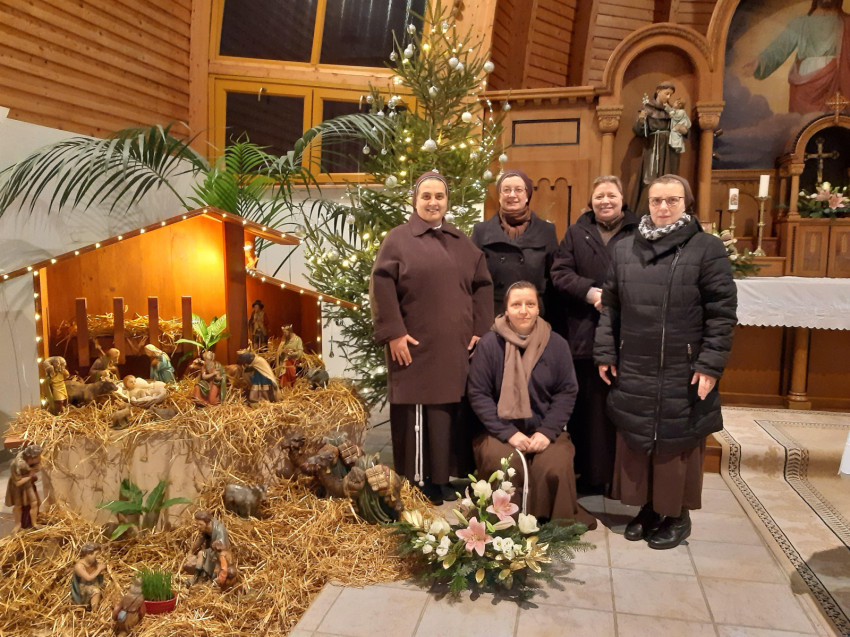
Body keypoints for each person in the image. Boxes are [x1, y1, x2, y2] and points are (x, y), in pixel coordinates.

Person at [595, 174, 737, 550]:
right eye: (656, 200)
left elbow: (721, 312)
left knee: (677, 440)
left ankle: (676, 514)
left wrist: (710, 364)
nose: (663, 207)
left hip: (683, 365)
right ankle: (648, 508)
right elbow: (611, 307)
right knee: (639, 438)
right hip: (635, 361)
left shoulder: (706, 248)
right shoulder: (625, 248)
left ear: (685, 204)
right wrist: (606, 351)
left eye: (672, 200)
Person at [370, 171, 494, 504]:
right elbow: (381, 285)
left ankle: (440, 479)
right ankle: (416, 481)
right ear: (415, 200)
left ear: (447, 201)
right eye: (426, 196)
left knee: (444, 415)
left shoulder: (461, 242)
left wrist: (480, 330)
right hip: (411, 345)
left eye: (439, 196)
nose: (433, 202)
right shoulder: (398, 239)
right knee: (415, 415)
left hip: (451, 347)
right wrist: (394, 333)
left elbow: (482, 286)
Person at [467, 281, 596, 528]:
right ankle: (503, 523)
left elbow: (566, 392)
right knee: (504, 466)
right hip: (500, 430)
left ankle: (549, 521)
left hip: (544, 428)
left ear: (538, 308)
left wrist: (547, 432)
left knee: (555, 466)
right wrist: (508, 433)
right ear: (506, 309)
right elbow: (478, 394)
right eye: (516, 304)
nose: (524, 310)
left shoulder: (557, 344)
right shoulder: (489, 345)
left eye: (530, 304)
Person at [551, 176, 638, 493]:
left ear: (622, 199)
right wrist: (591, 294)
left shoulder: (639, 230)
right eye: (599, 196)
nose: (605, 201)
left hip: (628, 330)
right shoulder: (576, 232)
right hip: (583, 331)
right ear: (591, 201)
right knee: (587, 409)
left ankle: (621, 477)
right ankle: (588, 474)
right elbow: (560, 272)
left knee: (620, 407)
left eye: (611, 195)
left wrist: (617, 298)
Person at [471, 169, 558, 315]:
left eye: (518, 190)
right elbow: (473, 278)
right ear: (499, 196)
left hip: (532, 313)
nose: (512, 195)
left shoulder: (546, 230)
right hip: (494, 312)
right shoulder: (481, 231)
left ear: (527, 195)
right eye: (506, 190)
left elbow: (554, 278)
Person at [747, 0, 850, 114]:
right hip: (804, 88)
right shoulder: (800, 23)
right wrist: (760, 62)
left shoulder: (847, 23)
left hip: (837, 84)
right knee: (803, 122)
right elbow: (780, 47)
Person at [631, 81, 688, 215]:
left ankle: (669, 212)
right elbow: (639, 131)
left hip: (670, 150)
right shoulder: (647, 108)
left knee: (670, 180)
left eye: (670, 95)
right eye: (666, 93)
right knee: (650, 180)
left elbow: (684, 125)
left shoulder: (672, 110)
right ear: (658, 91)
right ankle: (646, 214)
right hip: (653, 148)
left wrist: (683, 129)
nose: (668, 97)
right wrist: (641, 120)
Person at [183, 510, 230, 585]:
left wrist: (212, 552)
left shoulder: (219, 530)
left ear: (207, 522)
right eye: (197, 524)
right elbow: (201, 539)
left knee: (204, 555)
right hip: (212, 549)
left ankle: (207, 578)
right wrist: (191, 551)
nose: (198, 526)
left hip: (220, 552)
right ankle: (196, 577)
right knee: (201, 554)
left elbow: (222, 546)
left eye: (200, 524)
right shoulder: (206, 528)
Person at [5, 444, 42, 532]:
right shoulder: (16, 465)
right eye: (37, 457)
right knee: (18, 505)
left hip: (28, 484)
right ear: (31, 458)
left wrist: (32, 473)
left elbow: (37, 467)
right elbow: (17, 482)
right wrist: (30, 475)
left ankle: (34, 523)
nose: (40, 458)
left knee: (34, 502)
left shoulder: (32, 461)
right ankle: (18, 524)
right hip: (17, 487)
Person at [71, 542, 106, 611]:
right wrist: (99, 569)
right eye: (96, 554)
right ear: (88, 554)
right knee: (96, 591)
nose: (97, 556)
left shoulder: (93, 562)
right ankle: (94, 610)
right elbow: (88, 578)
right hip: (82, 588)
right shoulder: (79, 566)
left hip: (93, 584)